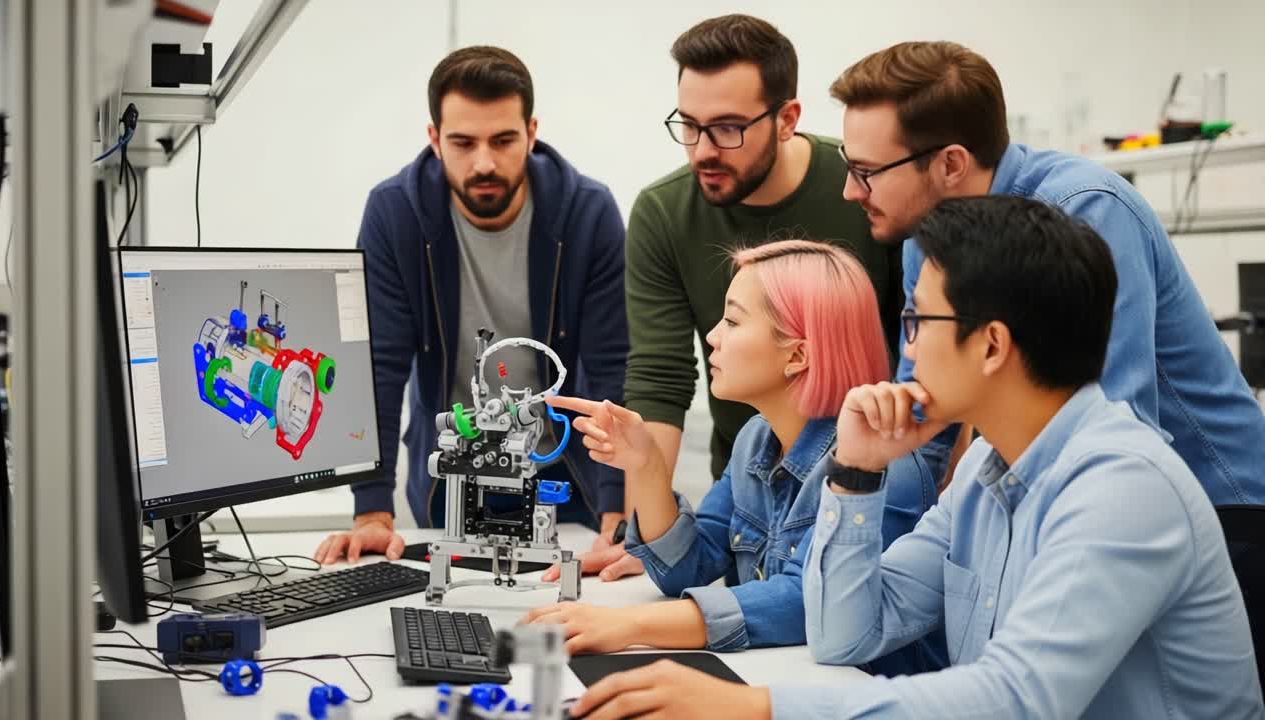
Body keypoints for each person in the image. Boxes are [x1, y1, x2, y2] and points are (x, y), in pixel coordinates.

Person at [567, 197, 1264, 720]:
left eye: (916, 322)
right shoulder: (987, 474)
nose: (905, 348)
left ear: (990, 345)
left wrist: (753, 705)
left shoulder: (1121, 486)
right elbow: (845, 637)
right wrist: (856, 474)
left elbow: (1019, 698)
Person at [830, 40, 1265, 505]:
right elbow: (920, 424)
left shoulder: (1085, 211)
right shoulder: (927, 238)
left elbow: (1116, 431)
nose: (849, 191)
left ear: (951, 164)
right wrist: (860, 497)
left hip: (1219, 509)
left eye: (865, 171)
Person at [572, 12, 916, 585]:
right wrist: (645, 517)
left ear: (787, 119)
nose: (703, 149)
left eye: (729, 128)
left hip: (865, 464)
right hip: (751, 480)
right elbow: (659, 378)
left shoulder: (865, 187)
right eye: (689, 125)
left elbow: (920, 350)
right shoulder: (664, 211)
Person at [313, 46, 628, 565]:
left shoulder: (587, 213)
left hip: (562, 475)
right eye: (463, 142)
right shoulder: (396, 214)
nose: (484, 162)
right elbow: (380, 367)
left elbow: (612, 364)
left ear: (531, 131)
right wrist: (372, 512)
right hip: (451, 477)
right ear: (435, 139)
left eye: (504, 140)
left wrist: (617, 505)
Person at [523, 240, 894, 656]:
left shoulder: (876, 465)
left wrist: (631, 625)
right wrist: (646, 466)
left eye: (733, 322)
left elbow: (803, 601)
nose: (713, 337)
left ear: (798, 355)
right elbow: (689, 566)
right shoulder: (756, 439)